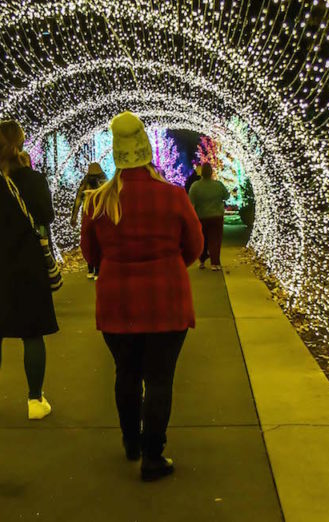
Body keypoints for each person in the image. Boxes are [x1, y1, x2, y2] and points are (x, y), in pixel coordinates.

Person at [80, 112, 203, 481]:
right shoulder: (173, 196)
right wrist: (168, 265)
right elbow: (194, 246)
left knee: (127, 373)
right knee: (160, 378)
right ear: (148, 152)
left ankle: (131, 441)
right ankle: (153, 456)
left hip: (117, 305)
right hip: (167, 302)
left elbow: (90, 255)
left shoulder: (97, 201)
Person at [0, 120, 59, 421]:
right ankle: (35, 400)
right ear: (22, 144)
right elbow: (46, 216)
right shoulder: (34, 180)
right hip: (30, 266)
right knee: (33, 334)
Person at [188, 163, 230, 271]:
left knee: (202, 239)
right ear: (211, 172)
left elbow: (191, 201)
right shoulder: (218, 185)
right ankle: (215, 263)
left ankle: (202, 261)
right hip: (216, 216)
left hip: (201, 216)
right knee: (215, 240)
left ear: (201, 173)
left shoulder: (195, 186)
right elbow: (226, 196)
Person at [70, 162, 107, 280]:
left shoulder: (85, 183)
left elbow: (77, 201)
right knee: (99, 242)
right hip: (101, 215)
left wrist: (74, 217)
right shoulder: (105, 182)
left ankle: (90, 268)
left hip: (87, 215)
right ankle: (98, 269)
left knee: (89, 242)